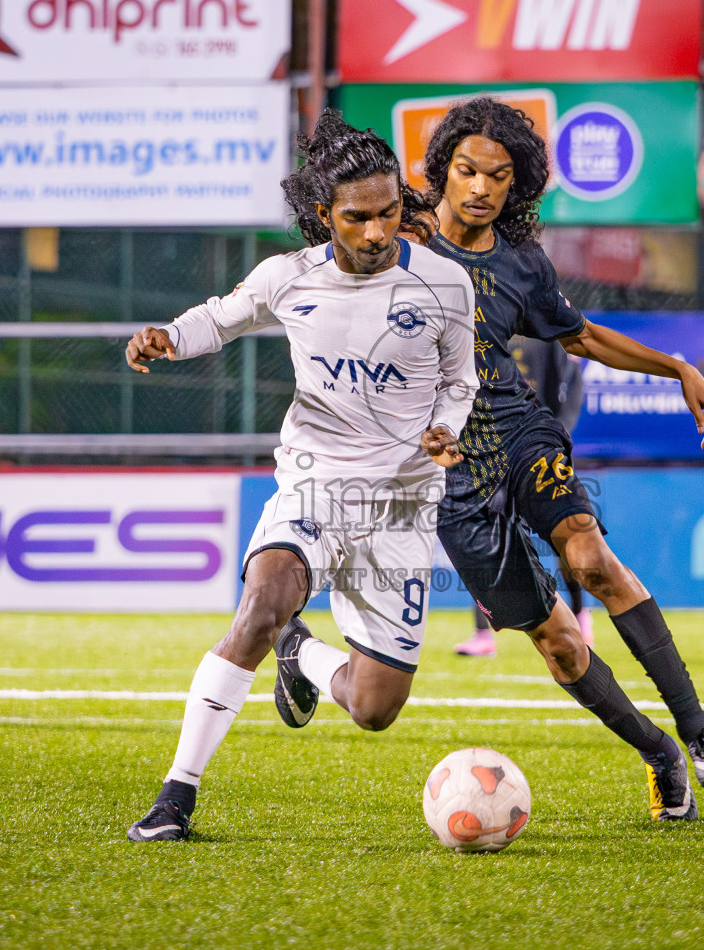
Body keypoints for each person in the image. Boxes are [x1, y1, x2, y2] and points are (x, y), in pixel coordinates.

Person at [118, 110, 477, 841]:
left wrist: (449, 428)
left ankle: (300, 653)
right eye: (357, 218)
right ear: (324, 217)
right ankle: (175, 797)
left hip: (402, 504)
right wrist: (168, 338)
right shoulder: (289, 278)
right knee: (256, 609)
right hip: (314, 483)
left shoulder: (445, 284)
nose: (377, 233)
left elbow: (459, 381)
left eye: (388, 213)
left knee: (375, 708)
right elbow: (220, 319)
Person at [420, 98, 704, 817]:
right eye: (467, 170)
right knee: (560, 646)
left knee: (591, 560)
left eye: (498, 177)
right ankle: (660, 755)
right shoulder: (400, 245)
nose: (480, 187)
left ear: (518, 186)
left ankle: (700, 735)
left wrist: (678, 367)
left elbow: (584, 337)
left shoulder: (521, 264)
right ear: (442, 169)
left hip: (518, 433)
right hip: (447, 475)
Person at [455, 334, 593, 656]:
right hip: (492, 449)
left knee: (563, 538)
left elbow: (571, 387)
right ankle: (483, 634)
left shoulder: (544, 331)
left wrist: (558, 436)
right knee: (485, 537)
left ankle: (579, 614)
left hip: (539, 447)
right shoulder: (480, 328)